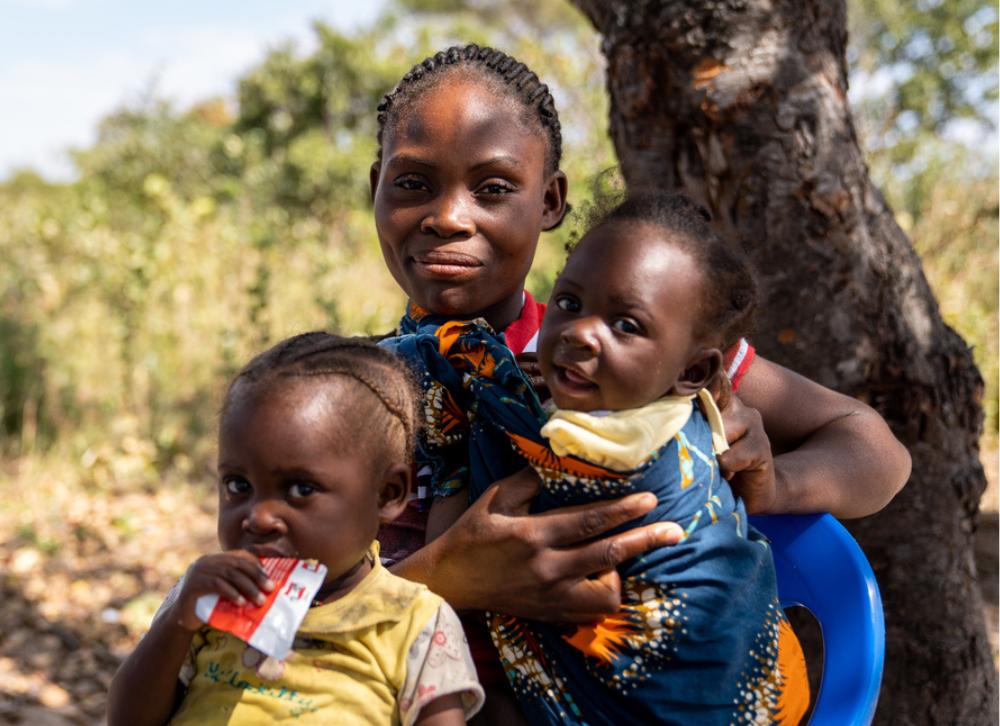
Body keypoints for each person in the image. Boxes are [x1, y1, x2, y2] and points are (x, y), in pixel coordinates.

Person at [367, 45, 911, 630]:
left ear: (549, 200)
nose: (448, 217)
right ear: (377, 188)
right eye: (413, 183)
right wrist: (444, 577)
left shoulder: (626, 352)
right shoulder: (342, 389)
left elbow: (875, 450)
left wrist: (777, 484)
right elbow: (294, 615)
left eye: (494, 188)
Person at [383, 190, 810, 726]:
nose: (580, 332)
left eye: (626, 324)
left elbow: (483, 539)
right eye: (569, 302)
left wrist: (488, 399)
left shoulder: (610, 445)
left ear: (694, 372)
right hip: (769, 694)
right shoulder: (681, 403)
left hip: (666, 713)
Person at [105, 333, 484, 726]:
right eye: (238, 485)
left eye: (301, 489)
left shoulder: (413, 623)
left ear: (388, 494)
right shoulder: (209, 595)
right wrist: (179, 619)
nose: (258, 517)